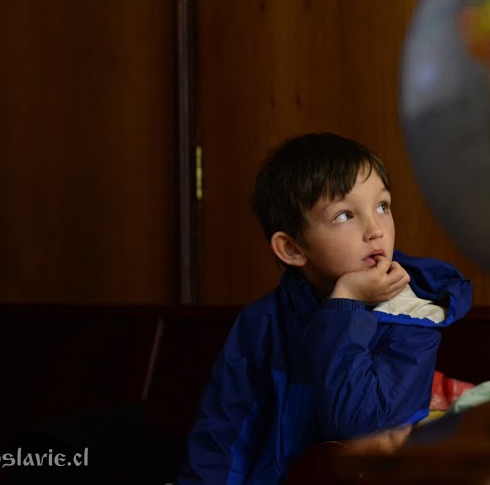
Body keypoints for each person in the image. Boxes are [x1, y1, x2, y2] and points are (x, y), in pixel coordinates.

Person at [177, 132, 472, 484]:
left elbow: (358, 423)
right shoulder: (263, 322)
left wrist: (345, 304)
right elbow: (222, 437)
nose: (376, 230)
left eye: (383, 206)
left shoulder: (412, 314)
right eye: (345, 215)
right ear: (292, 249)